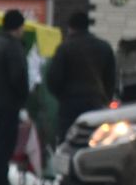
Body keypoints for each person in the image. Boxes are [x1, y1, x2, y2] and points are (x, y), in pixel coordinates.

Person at [44, 10, 118, 140]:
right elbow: (111, 78)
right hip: (96, 102)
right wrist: (106, 99)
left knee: (68, 141)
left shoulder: (64, 48)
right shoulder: (104, 47)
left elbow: (53, 79)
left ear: (70, 27)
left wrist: (61, 96)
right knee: (94, 139)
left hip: (70, 104)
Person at [0, 9, 30, 185]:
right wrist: (23, 96)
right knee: (6, 142)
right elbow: (18, 75)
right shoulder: (12, 46)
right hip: (8, 102)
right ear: (19, 27)